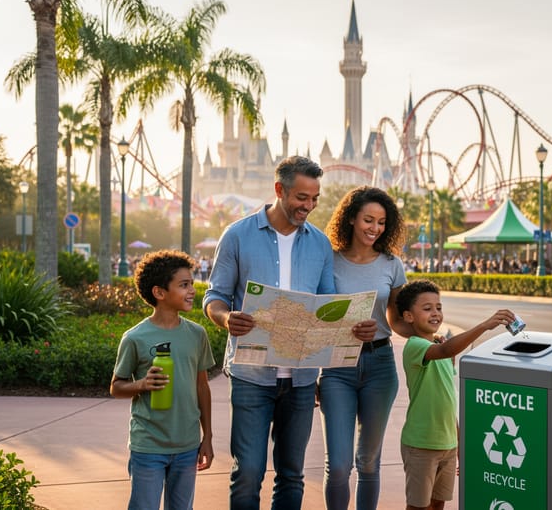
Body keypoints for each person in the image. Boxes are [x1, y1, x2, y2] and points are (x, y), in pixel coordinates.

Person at [203, 156, 377, 510]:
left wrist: (353, 326)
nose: (309, 206)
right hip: (252, 376)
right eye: (302, 197)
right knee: (249, 471)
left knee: (292, 473)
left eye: (314, 198)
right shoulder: (238, 235)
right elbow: (215, 297)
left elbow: (328, 304)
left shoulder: (319, 244)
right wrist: (225, 318)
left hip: (300, 378)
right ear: (279, 190)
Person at [320, 186, 411, 510]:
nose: (374, 228)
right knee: (340, 464)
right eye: (368, 220)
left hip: (380, 365)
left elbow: (398, 321)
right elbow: (316, 318)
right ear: (351, 220)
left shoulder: (391, 264)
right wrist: (344, 327)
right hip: (336, 367)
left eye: (382, 222)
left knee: (369, 461)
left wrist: (425, 334)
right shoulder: (327, 260)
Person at [396, 280, 516, 510]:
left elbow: (448, 401)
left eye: (438, 307)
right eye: (427, 308)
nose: (435, 313)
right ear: (409, 316)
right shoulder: (415, 346)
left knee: (438, 503)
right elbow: (446, 350)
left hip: (447, 444)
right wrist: (484, 325)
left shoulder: (442, 350)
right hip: (421, 444)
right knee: (418, 506)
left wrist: (459, 444)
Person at [110, 249, 215, 510]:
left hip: (188, 444)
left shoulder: (197, 334)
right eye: (184, 285)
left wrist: (208, 437)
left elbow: (202, 386)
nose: (192, 290)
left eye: (191, 283)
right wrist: (141, 385)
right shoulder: (135, 337)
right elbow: (116, 386)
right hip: (148, 445)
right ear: (159, 292)